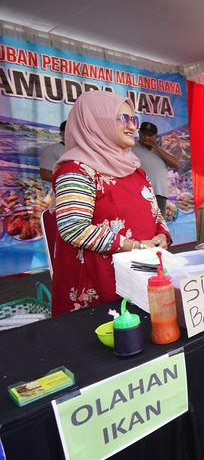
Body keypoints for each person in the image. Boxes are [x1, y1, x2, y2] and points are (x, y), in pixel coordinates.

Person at [51, 90, 171, 316]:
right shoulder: (76, 170)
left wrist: (162, 235)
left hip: (142, 274)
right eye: (122, 118)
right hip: (98, 284)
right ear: (94, 123)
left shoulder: (135, 171)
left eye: (133, 119)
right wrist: (134, 246)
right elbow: (73, 228)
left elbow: (155, 214)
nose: (132, 127)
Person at [131, 122, 180, 215]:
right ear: (139, 133)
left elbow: (175, 163)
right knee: (141, 220)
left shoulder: (160, 150)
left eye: (150, 135)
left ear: (155, 136)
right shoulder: (131, 147)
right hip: (139, 192)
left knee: (159, 225)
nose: (146, 137)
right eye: (144, 134)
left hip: (160, 194)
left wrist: (155, 147)